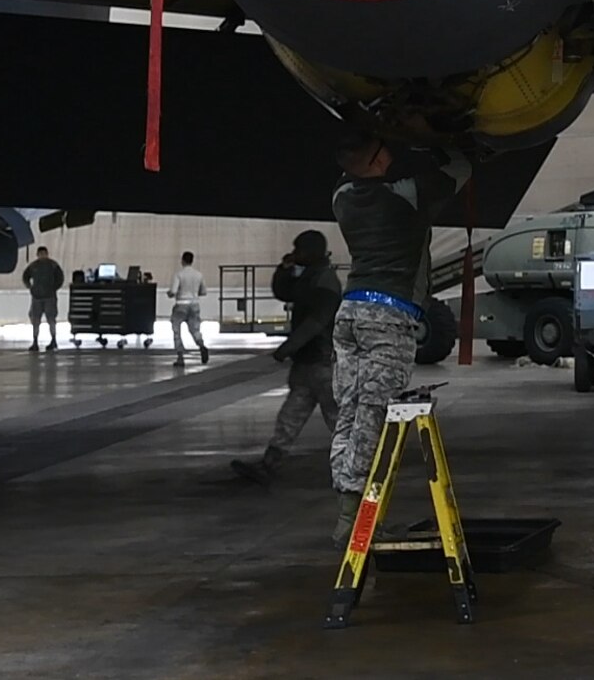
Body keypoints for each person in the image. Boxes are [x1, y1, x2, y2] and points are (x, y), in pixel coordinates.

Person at [327, 133, 472, 544]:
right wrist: (432, 136)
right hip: (388, 318)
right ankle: (353, 518)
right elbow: (459, 170)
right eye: (383, 150)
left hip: (350, 312)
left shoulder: (341, 196)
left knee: (350, 411)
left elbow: (351, 166)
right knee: (374, 415)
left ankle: (344, 502)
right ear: (373, 162)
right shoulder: (405, 196)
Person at [232, 230, 343, 486]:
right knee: (289, 418)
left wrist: (289, 347)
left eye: (299, 249)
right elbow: (284, 293)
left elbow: (317, 322)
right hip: (307, 364)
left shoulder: (326, 281)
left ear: (312, 251)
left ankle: (361, 468)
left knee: (338, 419)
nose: (296, 253)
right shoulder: (310, 277)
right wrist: (284, 268)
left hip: (324, 362)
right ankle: (269, 464)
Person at [167, 251, 209, 366]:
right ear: (192, 260)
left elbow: (173, 291)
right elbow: (203, 291)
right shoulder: (199, 275)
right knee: (195, 329)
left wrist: (170, 294)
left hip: (181, 304)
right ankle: (201, 345)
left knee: (177, 330)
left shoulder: (179, 274)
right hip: (194, 304)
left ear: (183, 260)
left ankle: (180, 357)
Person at [21, 245, 65, 353]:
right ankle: (35, 341)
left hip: (49, 297)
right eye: (40, 254)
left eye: (44, 254)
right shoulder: (33, 266)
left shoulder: (53, 265)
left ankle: (53, 340)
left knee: (51, 320)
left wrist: (54, 288)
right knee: (35, 320)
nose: (42, 256)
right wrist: (30, 287)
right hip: (37, 297)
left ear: (47, 254)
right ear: (37, 255)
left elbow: (60, 278)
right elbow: (25, 276)